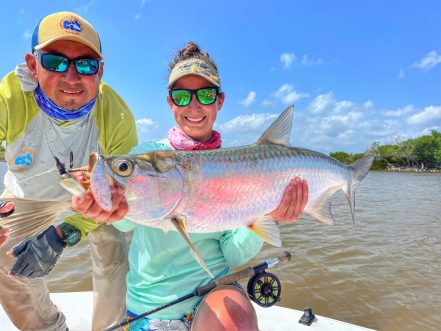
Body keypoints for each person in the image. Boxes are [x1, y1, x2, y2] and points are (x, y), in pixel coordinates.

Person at [73, 41, 309, 331]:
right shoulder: (146, 153)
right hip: (148, 303)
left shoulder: (240, 168)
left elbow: (234, 255)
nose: (194, 105)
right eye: (182, 96)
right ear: (170, 102)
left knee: (236, 322)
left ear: (219, 101)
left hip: (214, 291)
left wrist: (268, 214)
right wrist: (104, 202)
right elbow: (123, 224)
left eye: (206, 94)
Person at [0, 11, 137, 330]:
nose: (72, 77)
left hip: (96, 198)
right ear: (33, 66)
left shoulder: (117, 115)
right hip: (28, 197)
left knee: (113, 247)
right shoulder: (8, 98)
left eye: (86, 65)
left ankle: (111, 326)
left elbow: (122, 187)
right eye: (55, 62)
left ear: (100, 71)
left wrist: (65, 232)